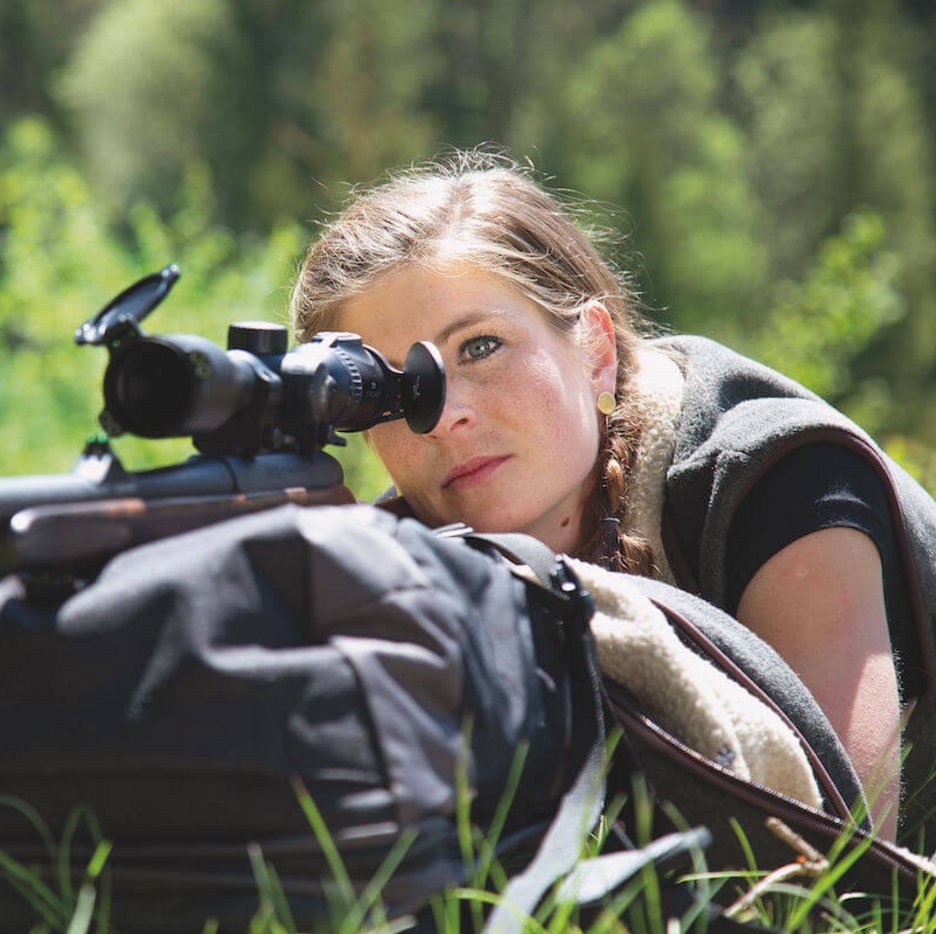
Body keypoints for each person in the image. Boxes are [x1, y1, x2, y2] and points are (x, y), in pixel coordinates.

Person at [288, 150, 936, 842]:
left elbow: (844, 874)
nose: (445, 417)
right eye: (397, 393)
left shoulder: (783, 481)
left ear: (596, 350)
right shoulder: (395, 553)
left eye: (480, 348)